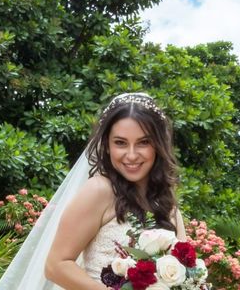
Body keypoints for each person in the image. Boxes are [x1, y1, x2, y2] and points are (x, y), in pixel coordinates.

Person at [44, 92, 185, 289]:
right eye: (120, 143)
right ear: (107, 146)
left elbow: (186, 268)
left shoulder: (167, 204)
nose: (132, 155)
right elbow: (55, 266)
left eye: (144, 142)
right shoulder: (99, 190)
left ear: (158, 145)